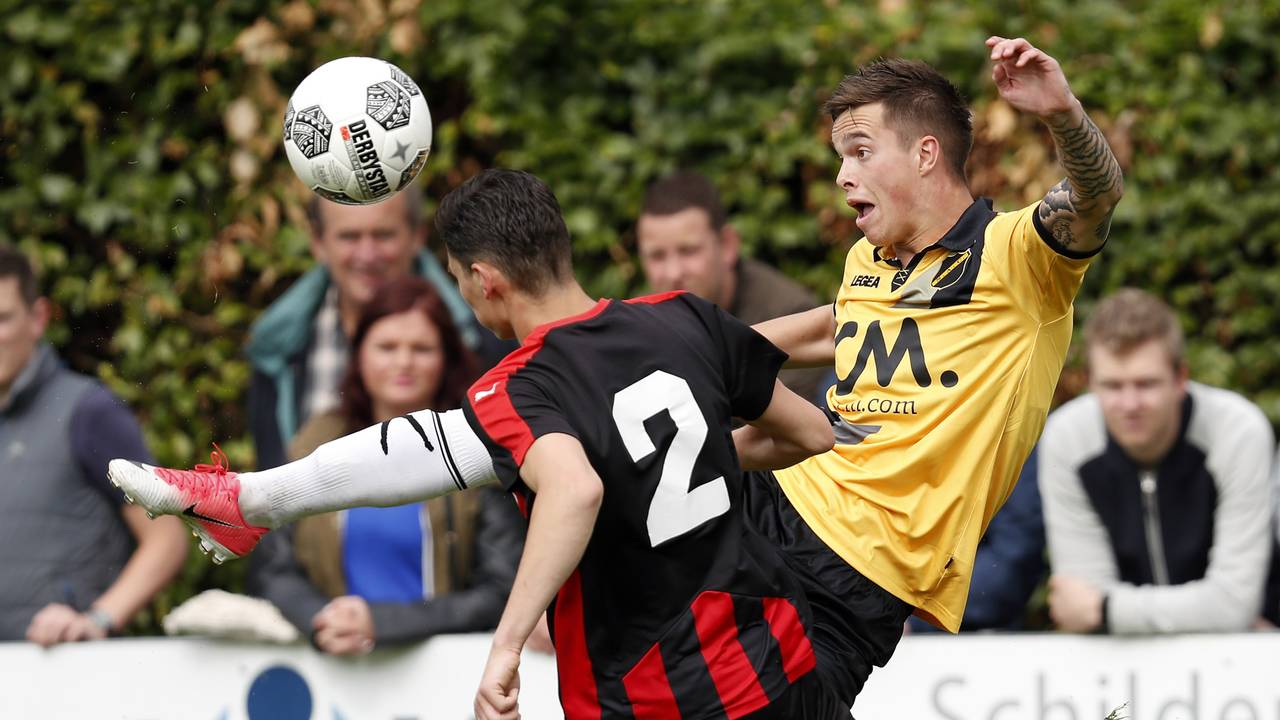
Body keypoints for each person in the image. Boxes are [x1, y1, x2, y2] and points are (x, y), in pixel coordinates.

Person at [111, 169, 844, 719]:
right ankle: (244, 501)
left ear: (487, 282)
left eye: (460, 282)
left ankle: (243, 501)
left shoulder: (518, 384)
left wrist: (506, 643)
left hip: (657, 695)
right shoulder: (683, 318)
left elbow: (576, 489)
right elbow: (809, 435)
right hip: (780, 661)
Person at [736, 34, 1123, 695]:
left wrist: (1061, 113)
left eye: (859, 152)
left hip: (860, 574)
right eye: (839, 157)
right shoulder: (876, 262)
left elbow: (1096, 197)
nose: (841, 177)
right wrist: (701, 358)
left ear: (925, 154)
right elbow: (850, 325)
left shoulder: (1016, 259)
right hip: (773, 499)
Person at [247, 276, 524, 655]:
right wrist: (321, 620)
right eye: (387, 347)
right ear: (359, 354)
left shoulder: (475, 446)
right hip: (333, 673)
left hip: (444, 672)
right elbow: (272, 567)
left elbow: (500, 588)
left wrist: (383, 624)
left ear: (446, 358)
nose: (404, 362)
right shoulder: (315, 442)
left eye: (422, 348)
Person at [1039, 288, 1280, 633]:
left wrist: (1107, 609)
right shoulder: (1067, 438)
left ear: (1181, 379)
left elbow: (1233, 605)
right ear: (1090, 382)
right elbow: (1080, 603)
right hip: (1121, 666)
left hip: (1243, 657)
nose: (1130, 404)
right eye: (1112, 386)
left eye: (1146, 384)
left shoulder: (1237, 430)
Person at [0, 247, 187, 644]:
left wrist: (98, 619)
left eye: (2, 318)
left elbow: (167, 537)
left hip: (62, 682)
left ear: (38, 318)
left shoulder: (86, 411)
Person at [247, 185, 507, 470]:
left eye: (384, 235)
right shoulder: (278, 346)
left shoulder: (483, 339)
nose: (368, 255)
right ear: (318, 242)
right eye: (349, 236)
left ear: (416, 236)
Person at [637, 171, 829, 403]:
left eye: (688, 251)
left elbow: (785, 432)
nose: (673, 273)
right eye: (657, 256)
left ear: (727, 245)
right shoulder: (636, 323)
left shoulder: (791, 315)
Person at [906, 451, 1045, 632]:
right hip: (884, 605)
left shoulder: (1009, 439)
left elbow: (1011, 558)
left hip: (963, 633)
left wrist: (910, 618)